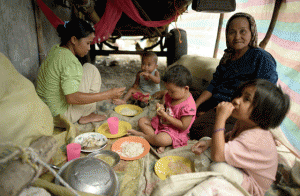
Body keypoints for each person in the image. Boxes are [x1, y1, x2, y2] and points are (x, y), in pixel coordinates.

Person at [191, 79, 290, 196]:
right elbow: (230, 137)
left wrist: (220, 118)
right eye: (240, 95)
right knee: (206, 141)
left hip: (251, 186)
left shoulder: (254, 138)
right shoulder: (243, 123)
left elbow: (217, 156)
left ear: (262, 112)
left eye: (246, 99)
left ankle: (206, 181)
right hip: (241, 168)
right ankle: (201, 173)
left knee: (218, 167)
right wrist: (209, 142)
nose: (236, 100)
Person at [189, 12, 278, 140]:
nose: (237, 37)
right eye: (232, 32)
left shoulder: (261, 57)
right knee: (184, 96)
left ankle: (240, 133)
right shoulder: (227, 57)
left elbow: (265, 93)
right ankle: (203, 114)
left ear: (252, 32)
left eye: (243, 31)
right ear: (227, 35)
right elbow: (213, 85)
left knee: (197, 129)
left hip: (237, 109)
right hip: (216, 101)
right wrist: (195, 105)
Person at [36, 19, 125, 124]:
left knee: (89, 69)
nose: (88, 48)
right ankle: (86, 114)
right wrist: (108, 94)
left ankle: (85, 113)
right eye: (87, 43)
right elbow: (72, 98)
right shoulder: (70, 61)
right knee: (91, 71)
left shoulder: (56, 49)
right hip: (60, 117)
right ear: (73, 39)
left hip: (45, 110)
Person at [128, 65, 197, 153]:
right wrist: (160, 107)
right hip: (162, 123)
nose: (169, 93)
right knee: (142, 121)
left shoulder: (189, 106)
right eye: (168, 90)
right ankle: (156, 140)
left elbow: (183, 126)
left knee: (162, 139)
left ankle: (143, 136)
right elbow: (165, 104)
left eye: (172, 91)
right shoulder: (170, 94)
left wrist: (166, 116)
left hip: (175, 131)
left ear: (186, 89)